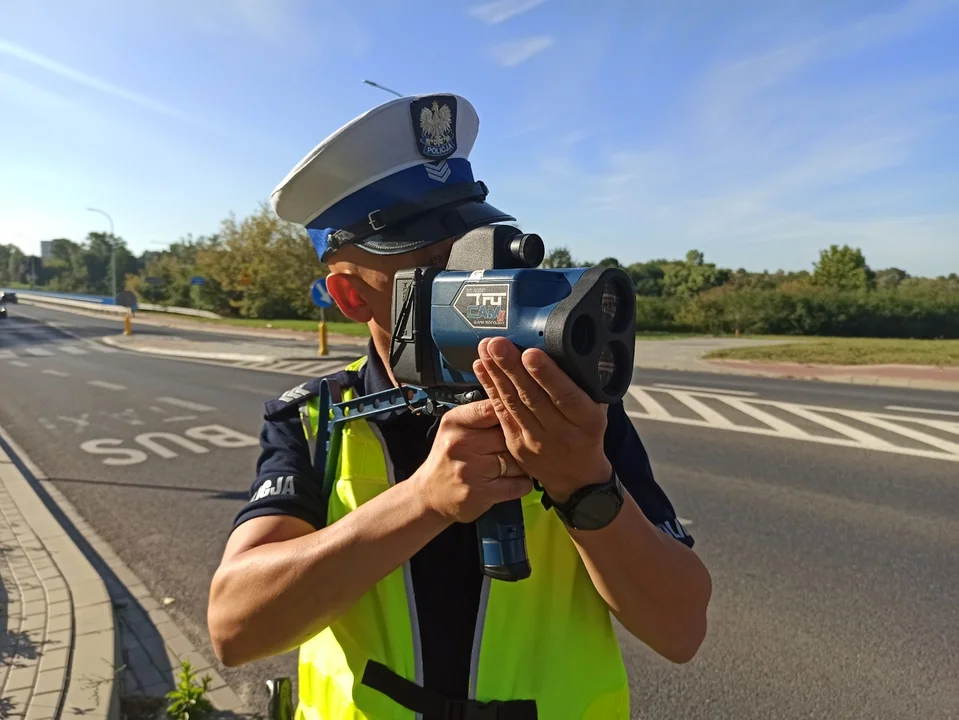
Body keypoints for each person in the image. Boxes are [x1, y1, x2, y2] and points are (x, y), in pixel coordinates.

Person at [208, 93, 712, 720]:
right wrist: (421, 500)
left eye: (484, 259)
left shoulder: (565, 411)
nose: (483, 290)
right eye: (439, 272)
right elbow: (235, 629)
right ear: (350, 296)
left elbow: (681, 629)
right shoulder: (317, 418)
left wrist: (584, 483)